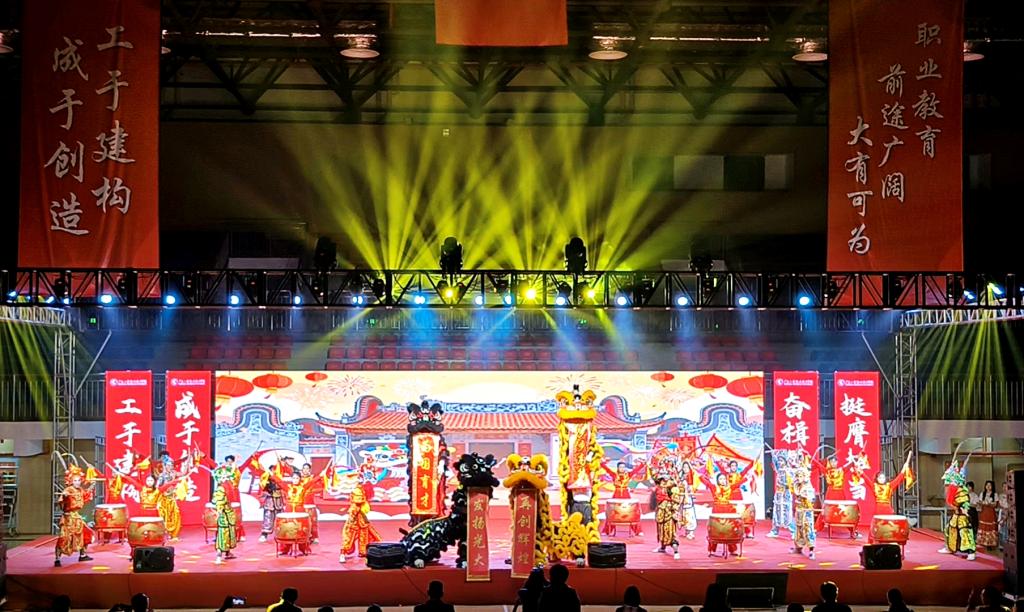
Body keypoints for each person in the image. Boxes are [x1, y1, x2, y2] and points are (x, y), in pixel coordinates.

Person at [55, 463, 95, 567]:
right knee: (64, 538)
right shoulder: (68, 490)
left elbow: (85, 495)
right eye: (75, 480)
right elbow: (61, 503)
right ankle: (57, 559)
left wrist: (92, 485)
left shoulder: (80, 490)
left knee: (86, 534)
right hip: (68, 518)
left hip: (76, 517)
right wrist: (65, 497)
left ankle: (82, 555)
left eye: (79, 480)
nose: (77, 482)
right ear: (71, 481)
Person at [339, 487, 382, 562]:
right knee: (348, 540)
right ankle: (342, 554)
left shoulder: (363, 505)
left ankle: (363, 552)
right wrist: (351, 521)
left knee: (366, 537)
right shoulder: (354, 507)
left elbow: (365, 510)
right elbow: (352, 515)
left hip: (362, 523)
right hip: (353, 525)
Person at [651, 476, 682, 559]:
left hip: (669, 513)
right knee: (661, 531)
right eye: (662, 481)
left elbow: (676, 501)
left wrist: (674, 510)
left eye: (665, 480)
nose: (663, 482)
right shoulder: (659, 488)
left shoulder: (673, 489)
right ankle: (662, 548)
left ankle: (676, 551)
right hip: (661, 513)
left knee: (670, 532)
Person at [767, 449, 793, 538]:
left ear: (785, 461)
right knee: (776, 512)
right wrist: (773, 455)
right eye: (779, 460)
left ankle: (793, 532)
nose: (780, 462)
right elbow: (775, 464)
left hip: (786, 494)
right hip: (778, 494)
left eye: (781, 460)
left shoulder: (789, 471)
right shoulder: (779, 470)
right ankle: (775, 531)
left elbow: (791, 483)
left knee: (787, 513)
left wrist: (786, 485)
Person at [212, 482, 238, 564]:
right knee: (223, 534)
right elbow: (218, 502)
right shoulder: (221, 489)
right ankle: (219, 555)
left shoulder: (228, 485)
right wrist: (219, 512)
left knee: (229, 534)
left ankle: (228, 552)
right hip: (223, 516)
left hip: (229, 514)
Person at [978, 479, 999, 550]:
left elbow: (995, 505)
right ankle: (982, 542)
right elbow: (980, 502)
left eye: (990, 485)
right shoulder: (982, 494)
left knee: (990, 527)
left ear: (992, 486)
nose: (988, 486)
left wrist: (989, 504)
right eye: (987, 485)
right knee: (983, 527)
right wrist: (983, 503)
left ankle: (990, 544)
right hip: (984, 512)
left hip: (991, 513)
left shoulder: (995, 494)